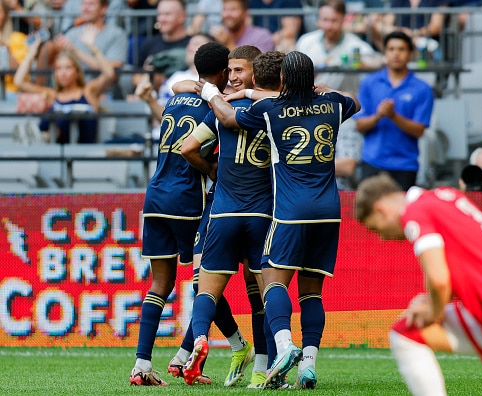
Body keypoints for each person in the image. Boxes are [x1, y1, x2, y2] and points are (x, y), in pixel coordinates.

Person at [194, 50, 360, 389]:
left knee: (273, 281)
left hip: (289, 212)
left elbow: (228, 118)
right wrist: (320, 90)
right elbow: (353, 101)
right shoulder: (333, 105)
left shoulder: (271, 111)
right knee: (312, 294)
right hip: (330, 212)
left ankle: (284, 346)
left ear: (282, 80)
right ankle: (309, 366)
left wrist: (213, 93)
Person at [354, 173, 482, 396]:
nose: (383, 238)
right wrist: (430, 300)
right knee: (406, 334)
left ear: (381, 210)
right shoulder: (443, 196)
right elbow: (449, 266)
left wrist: (433, 311)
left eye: (376, 229)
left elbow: (439, 278)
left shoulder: (414, 213)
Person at [130, 41, 245, 387]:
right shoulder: (214, 108)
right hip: (186, 199)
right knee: (204, 283)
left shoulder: (175, 99)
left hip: (155, 196)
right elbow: (191, 150)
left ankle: (143, 365)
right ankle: (232, 345)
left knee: (160, 285)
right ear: (224, 72)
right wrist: (210, 168)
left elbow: (182, 88)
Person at [181, 49, 286, 390]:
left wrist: (214, 170)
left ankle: (199, 339)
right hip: (262, 214)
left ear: (257, 72)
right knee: (265, 294)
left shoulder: (224, 109)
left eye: (240, 70)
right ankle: (263, 369)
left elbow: (187, 148)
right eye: (230, 70)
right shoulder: (277, 111)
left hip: (223, 213)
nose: (234, 76)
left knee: (206, 289)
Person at [354, 31, 434, 191]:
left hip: (404, 164)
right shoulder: (369, 83)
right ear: (385, 52)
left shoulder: (422, 89)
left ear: (410, 53)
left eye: (401, 49)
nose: (396, 54)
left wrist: (393, 116)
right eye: (391, 49)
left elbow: (419, 130)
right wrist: (379, 116)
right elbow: (359, 125)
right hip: (372, 161)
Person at [14, 25, 115, 143]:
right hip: (58, 150)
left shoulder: (88, 92)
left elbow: (109, 74)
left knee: (65, 117)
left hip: (84, 151)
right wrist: (31, 54)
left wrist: (92, 47)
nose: (63, 73)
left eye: (68, 68)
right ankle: (40, 137)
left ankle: (40, 138)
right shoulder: (53, 95)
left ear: (77, 72)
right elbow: (19, 82)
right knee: (52, 117)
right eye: (58, 69)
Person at [296, 0, 382, 90]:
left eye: (334, 21)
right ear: (318, 19)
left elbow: (376, 63)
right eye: (325, 20)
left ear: (343, 19)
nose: (328, 26)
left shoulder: (356, 45)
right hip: (310, 101)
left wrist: (362, 63)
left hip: (344, 101)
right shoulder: (305, 41)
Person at [369, 0, 449, 52]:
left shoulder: (439, 1)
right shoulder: (400, 1)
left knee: (421, 44)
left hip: (426, 42)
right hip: (401, 40)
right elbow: (387, 22)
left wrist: (413, 33)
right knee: (377, 26)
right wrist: (377, 18)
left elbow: (436, 27)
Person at [209, 0, 275, 52]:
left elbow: (257, 65)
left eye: (233, 10)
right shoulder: (216, 35)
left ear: (245, 13)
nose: (227, 14)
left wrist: (228, 43)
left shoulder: (261, 36)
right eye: (225, 9)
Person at [0, 0, 28, 96]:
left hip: (11, 94)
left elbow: (20, 75)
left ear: (6, 15)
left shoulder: (18, 39)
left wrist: (3, 46)